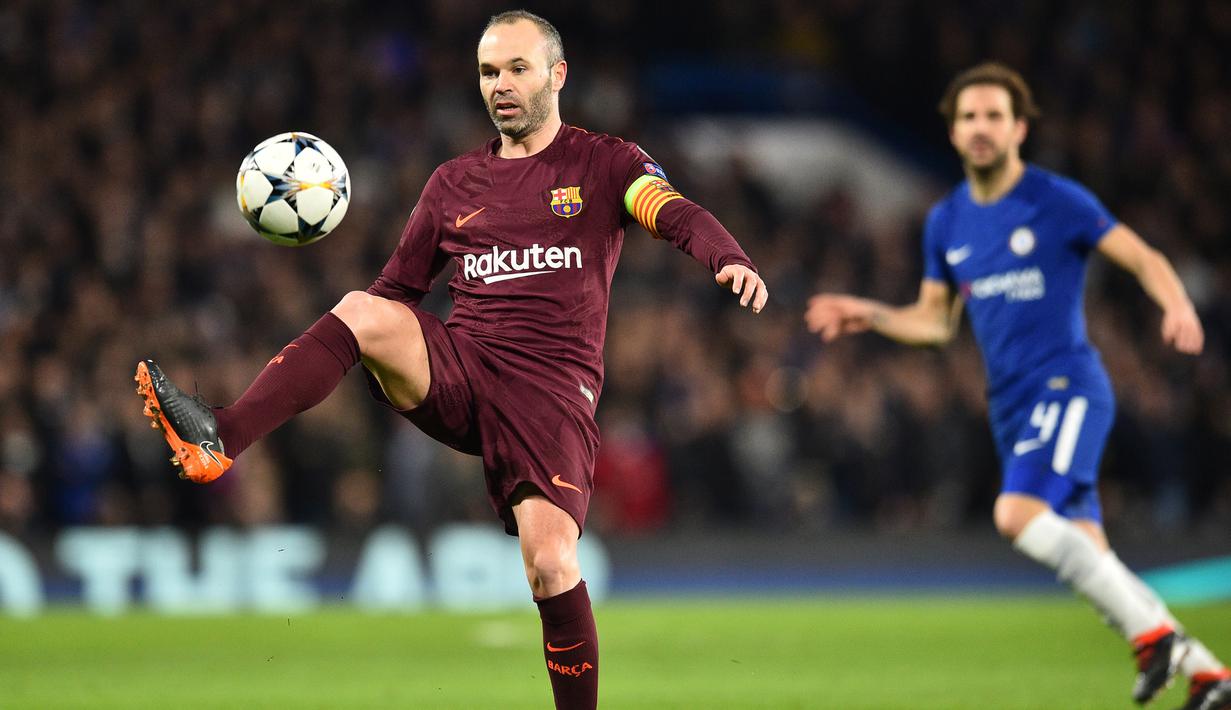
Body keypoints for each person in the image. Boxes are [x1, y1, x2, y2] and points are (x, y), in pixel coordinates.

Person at [134, 10, 767, 710]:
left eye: (516, 69)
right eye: (488, 72)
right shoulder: (452, 184)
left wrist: (727, 257)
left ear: (557, 75)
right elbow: (394, 292)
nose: (500, 85)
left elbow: (672, 211)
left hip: (550, 395)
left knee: (550, 566)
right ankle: (221, 437)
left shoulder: (605, 162)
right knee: (361, 309)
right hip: (462, 368)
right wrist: (359, 351)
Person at [805, 62, 1229, 710]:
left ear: (1018, 128)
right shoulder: (945, 222)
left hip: (1066, 384)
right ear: (951, 131)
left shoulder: (1055, 200)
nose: (980, 127)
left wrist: (1174, 304)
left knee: (1015, 514)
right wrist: (873, 313)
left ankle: (1154, 640)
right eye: (968, 116)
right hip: (1009, 405)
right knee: (1090, 555)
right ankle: (1209, 677)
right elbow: (935, 324)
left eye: (993, 116)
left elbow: (1142, 256)